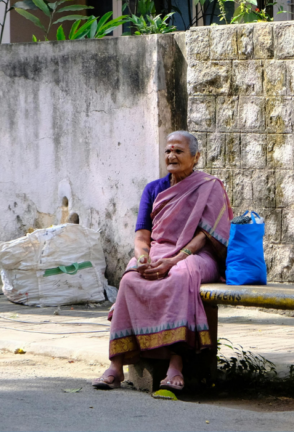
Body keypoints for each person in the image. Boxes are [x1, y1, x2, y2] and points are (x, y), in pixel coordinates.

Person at [92, 131, 233, 391]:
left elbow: (206, 236)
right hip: (158, 251)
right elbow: (142, 235)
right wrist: (143, 258)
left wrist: (175, 259)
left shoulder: (209, 186)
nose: (171, 156)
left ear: (195, 157)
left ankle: (175, 365)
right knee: (131, 277)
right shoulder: (154, 188)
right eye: (168, 151)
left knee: (181, 276)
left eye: (178, 151)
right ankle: (116, 364)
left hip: (196, 255)